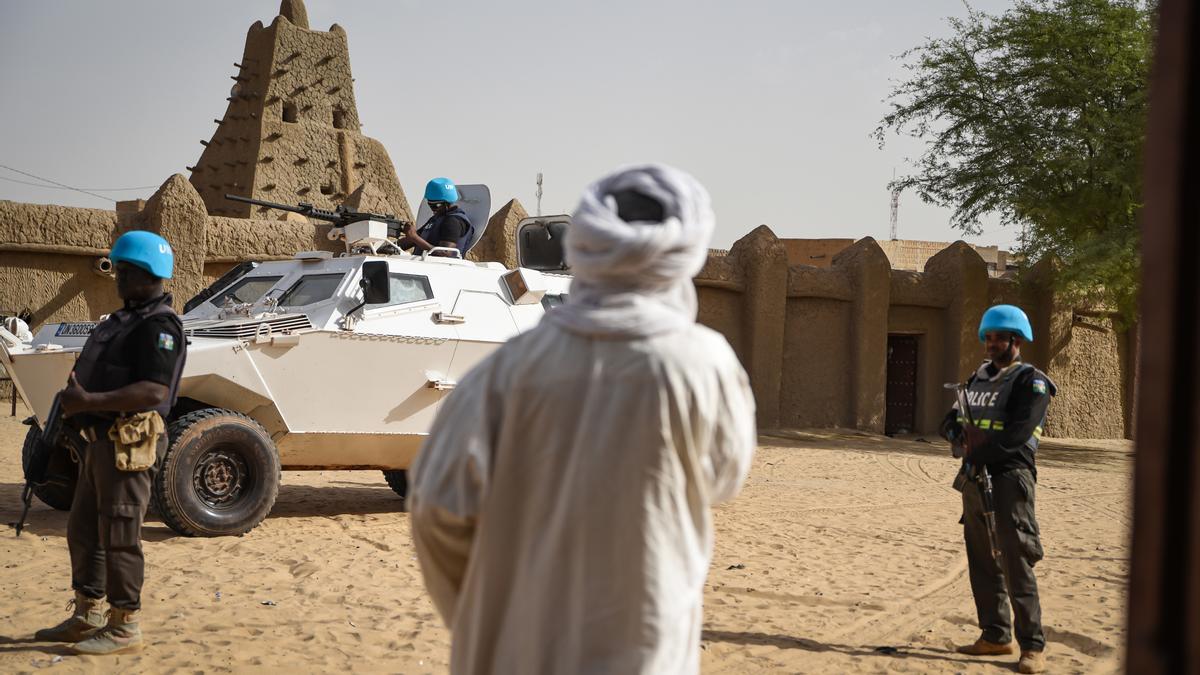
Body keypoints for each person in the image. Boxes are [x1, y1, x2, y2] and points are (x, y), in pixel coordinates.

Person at [409, 164, 756, 674]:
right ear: (683, 254)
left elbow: (437, 508)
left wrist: (484, 616)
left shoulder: (503, 370)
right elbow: (722, 478)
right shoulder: (708, 367)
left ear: (585, 245)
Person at [34, 230, 187, 655]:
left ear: (147, 273)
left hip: (130, 442)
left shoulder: (160, 327)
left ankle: (124, 626)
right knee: (84, 531)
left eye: (124, 271)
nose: (117, 278)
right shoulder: (122, 321)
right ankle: (89, 614)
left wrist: (89, 401)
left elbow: (155, 392)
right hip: (98, 441)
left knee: (120, 534)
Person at [940, 304, 1055, 674]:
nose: (990, 344)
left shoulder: (1031, 382)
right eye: (987, 338)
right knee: (982, 560)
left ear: (1016, 340)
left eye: (998, 338)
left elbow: (1019, 434)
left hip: (1009, 477)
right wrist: (956, 434)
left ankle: (1032, 646)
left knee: (1015, 558)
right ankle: (995, 634)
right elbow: (951, 418)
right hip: (974, 477)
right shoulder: (976, 380)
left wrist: (979, 450)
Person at [399, 177, 475, 257]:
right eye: (430, 205)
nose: (432, 209)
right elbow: (413, 239)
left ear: (447, 204)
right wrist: (389, 245)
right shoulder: (436, 219)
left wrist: (414, 237)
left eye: (435, 205)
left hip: (443, 268)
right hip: (423, 266)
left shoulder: (453, 222)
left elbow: (445, 253)